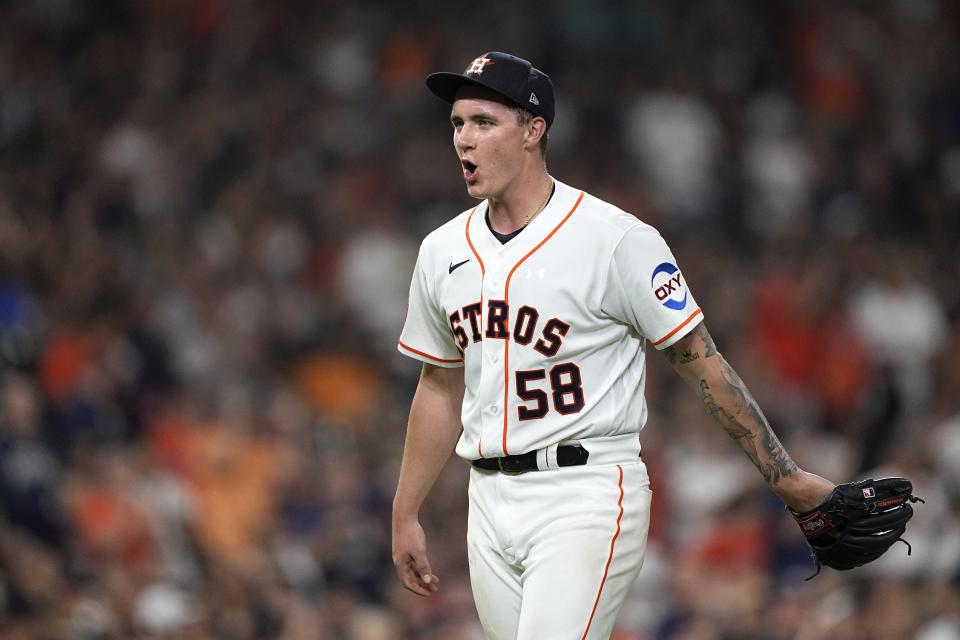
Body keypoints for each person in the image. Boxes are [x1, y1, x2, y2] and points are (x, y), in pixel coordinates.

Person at [392, 51, 836, 640]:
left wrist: (787, 478)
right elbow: (440, 383)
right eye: (457, 125)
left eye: (483, 122)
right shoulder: (440, 250)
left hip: (587, 491)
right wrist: (405, 514)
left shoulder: (616, 239)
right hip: (488, 501)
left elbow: (701, 359)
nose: (464, 141)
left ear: (533, 130)